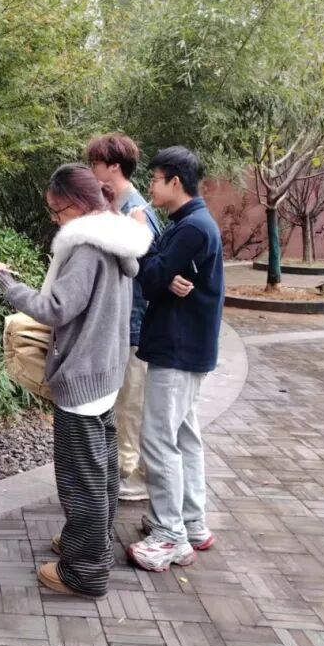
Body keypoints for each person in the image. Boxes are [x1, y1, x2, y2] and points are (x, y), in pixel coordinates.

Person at [0, 164, 152, 598]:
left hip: (82, 377)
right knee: (100, 471)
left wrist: (8, 284)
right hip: (105, 373)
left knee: (81, 479)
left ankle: (85, 570)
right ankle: (88, 542)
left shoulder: (86, 249)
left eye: (57, 210)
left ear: (79, 205)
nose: (55, 219)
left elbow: (55, 309)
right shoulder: (117, 241)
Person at [127, 146, 224, 573]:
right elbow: (163, 276)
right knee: (183, 436)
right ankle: (191, 522)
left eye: (155, 179)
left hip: (177, 349)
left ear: (175, 182)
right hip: (187, 347)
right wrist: (166, 276)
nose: (150, 187)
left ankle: (169, 536)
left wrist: (140, 238)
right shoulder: (191, 224)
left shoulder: (192, 229)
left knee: (158, 438)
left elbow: (149, 278)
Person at [87, 134, 162, 502]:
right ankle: (122, 472)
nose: (91, 171)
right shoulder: (117, 208)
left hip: (136, 327)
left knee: (131, 405)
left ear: (114, 167)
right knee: (122, 403)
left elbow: (153, 272)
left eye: (95, 164)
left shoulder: (138, 212)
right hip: (121, 326)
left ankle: (132, 476)